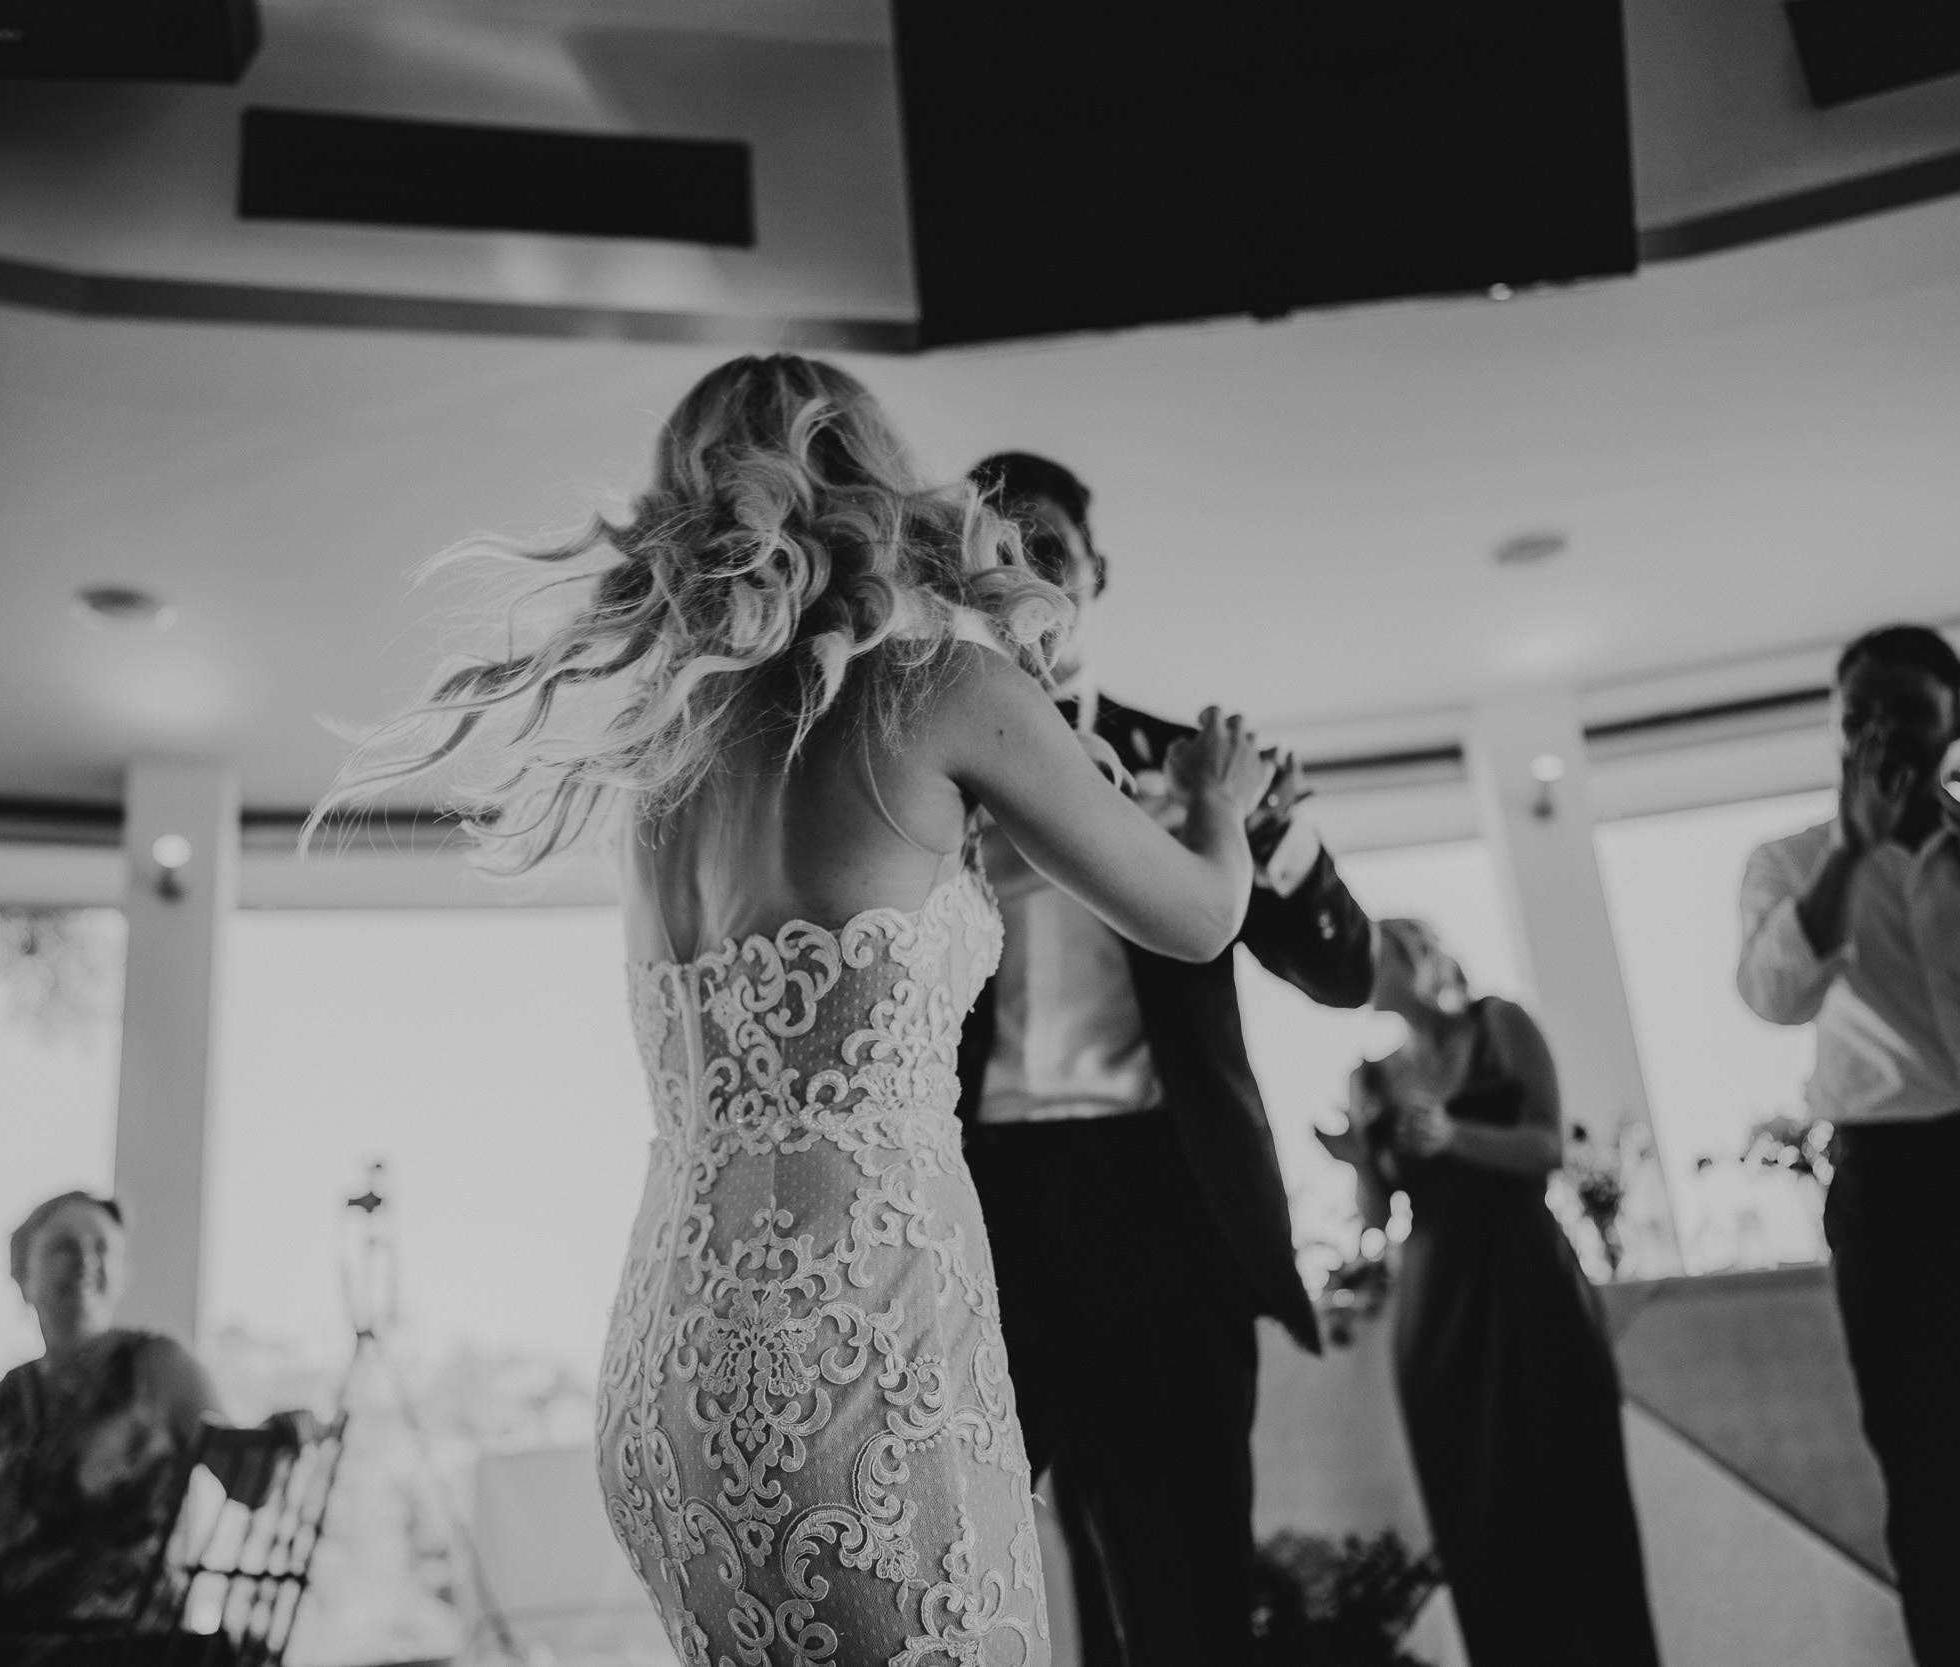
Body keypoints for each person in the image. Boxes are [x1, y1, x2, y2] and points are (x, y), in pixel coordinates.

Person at [311, 355, 1273, 1667]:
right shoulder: (939, 685)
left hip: (669, 1366)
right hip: (858, 1351)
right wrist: (1217, 802)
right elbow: (1200, 912)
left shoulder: (665, 744)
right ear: (870, 471)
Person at [955, 451, 1375, 1667]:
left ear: (1095, 576)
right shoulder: (922, 768)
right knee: (980, 1554)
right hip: (986, 1212)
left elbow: (1344, 973)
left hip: (1164, 1198)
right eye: (1000, 545)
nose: (1025, 569)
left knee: (1184, 1570)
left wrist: (1259, 835)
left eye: (1050, 547)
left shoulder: (1193, 762)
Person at [1738, 623, 1960, 1667]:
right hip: (1899, 1181)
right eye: (1858, 708)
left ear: (1959, 719)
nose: (1878, 725)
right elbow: (1772, 992)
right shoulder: (1793, 860)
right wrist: (1852, 850)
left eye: (1905, 704)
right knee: (1936, 1482)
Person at [1320, 919, 1660, 1666]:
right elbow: (1379, 1216)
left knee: (1578, 1497)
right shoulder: (1367, 1075)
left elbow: (1547, 1145)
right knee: (1477, 1512)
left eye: (1368, 954)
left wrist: (1453, 1136)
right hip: (1438, 1303)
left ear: (1411, 957)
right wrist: (1356, 1160)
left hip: (1528, 1277)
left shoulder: (1500, 1022)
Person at [0, 1191, 221, 1661]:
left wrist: (280, 1435)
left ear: (123, 1273)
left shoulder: (157, 1365)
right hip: (12, 1637)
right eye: (64, 1247)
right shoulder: (14, 1391)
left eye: (102, 1248)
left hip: (123, 1642)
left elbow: (250, 1482)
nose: (85, 1261)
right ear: (21, 1273)